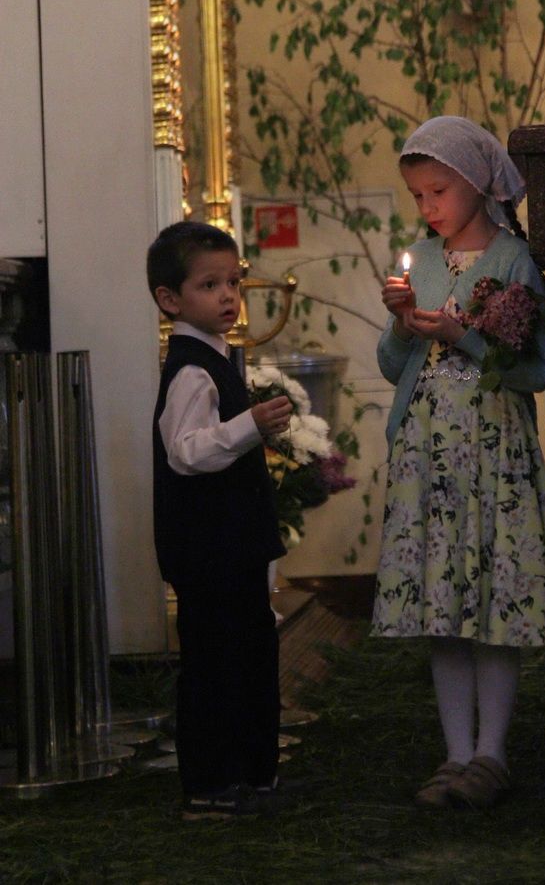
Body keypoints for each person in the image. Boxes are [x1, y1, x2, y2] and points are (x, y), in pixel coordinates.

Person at [372, 116, 545, 809]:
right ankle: (455, 753)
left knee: (492, 601)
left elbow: (531, 372)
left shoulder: (514, 261)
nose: (428, 207)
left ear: (478, 183)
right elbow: (393, 365)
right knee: (443, 604)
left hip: (492, 454)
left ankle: (491, 753)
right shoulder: (423, 260)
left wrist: (464, 336)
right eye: (417, 196)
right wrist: (402, 323)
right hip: (428, 456)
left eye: (439, 192)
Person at [147, 220, 293, 820]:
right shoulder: (190, 370)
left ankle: (254, 774)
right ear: (170, 299)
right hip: (208, 551)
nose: (229, 296)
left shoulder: (217, 359)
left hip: (233, 546)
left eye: (233, 282)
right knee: (215, 666)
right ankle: (210, 783)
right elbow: (185, 452)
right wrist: (248, 426)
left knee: (251, 657)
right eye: (209, 285)